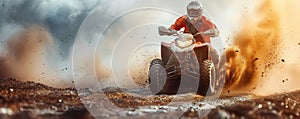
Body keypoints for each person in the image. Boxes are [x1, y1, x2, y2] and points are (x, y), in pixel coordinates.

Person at [168, 0, 220, 65]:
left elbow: (215, 30)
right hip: (186, 41)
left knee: (213, 55)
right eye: (191, 11)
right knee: (171, 47)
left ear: (200, 12)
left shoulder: (206, 21)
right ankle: (167, 66)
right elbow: (175, 26)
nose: (193, 14)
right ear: (188, 11)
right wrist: (171, 30)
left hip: (202, 44)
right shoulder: (184, 19)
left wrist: (209, 32)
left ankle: (214, 71)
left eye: (195, 12)